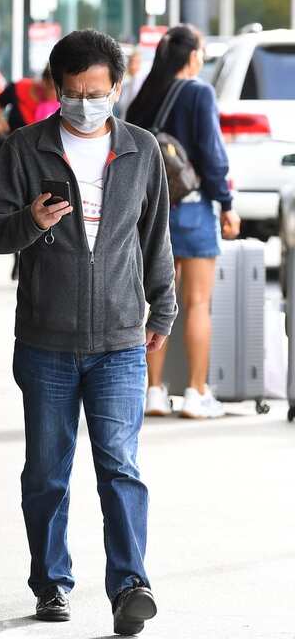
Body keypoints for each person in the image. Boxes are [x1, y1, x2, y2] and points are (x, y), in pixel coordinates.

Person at [0, 29, 174, 636]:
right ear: (55, 90)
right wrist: (29, 222)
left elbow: (154, 238)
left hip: (118, 342)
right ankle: (51, 583)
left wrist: (160, 311)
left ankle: (130, 585)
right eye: (74, 92)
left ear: (117, 86)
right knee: (47, 471)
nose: (87, 103)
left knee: (120, 466)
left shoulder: (141, 151)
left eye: (98, 91)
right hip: (45, 341)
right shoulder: (25, 149)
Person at [126, 24, 241, 419]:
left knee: (156, 301)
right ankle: (195, 392)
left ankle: (153, 392)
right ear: (193, 56)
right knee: (195, 302)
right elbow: (211, 154)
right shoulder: (199, 92)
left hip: (150, 211)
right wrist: (226, 203)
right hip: (192, 208)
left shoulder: (144, 96)